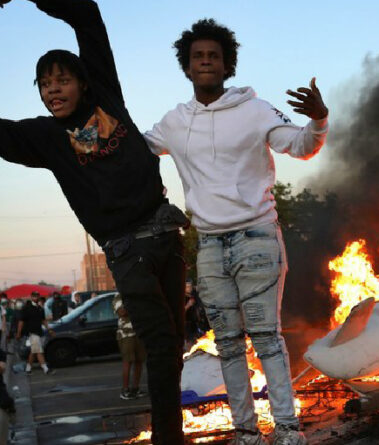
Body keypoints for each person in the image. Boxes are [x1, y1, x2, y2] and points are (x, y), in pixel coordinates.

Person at [0, 1, 188, 443]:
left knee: (173, 347)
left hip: (166, 233)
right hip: (128, 251)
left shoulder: (106, 96)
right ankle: (169, 438)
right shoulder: (45, 138)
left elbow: (87, 14)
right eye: (44, 86)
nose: (53, 91)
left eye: (62, 80)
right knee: (160, 345)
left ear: (83, 83)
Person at [145, 19, 328, 445]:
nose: (205, 62)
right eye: (197, 57)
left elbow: (301, 146)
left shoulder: (256, 109)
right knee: (227, 343)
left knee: (266, 338)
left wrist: (318, 120)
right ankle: (246, 433)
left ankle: (286, 430)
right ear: (186, 68)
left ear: (227, 65)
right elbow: (135, 151)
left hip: (256, 239)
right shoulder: (174, 121)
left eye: (213, 56)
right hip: (208, 246)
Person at [112, 293, 147, 400]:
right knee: (128, 361)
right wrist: (136, 307)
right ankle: (125, 390)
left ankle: (135, 389)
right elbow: (122, 312)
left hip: (138, 331)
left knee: (139, 361)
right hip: (126, 334)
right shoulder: (119, 296)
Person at [16, 292, 54, 374]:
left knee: (34, 351)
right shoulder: (26, 308)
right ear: (31, 297)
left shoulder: (40, 308)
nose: (36, 298)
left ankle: (28, 369)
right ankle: (45, 368)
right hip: (31, 332)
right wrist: (18, 333)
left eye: (37, 296)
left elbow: (43, 320)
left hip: (39, 332)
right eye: (34, 296)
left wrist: (49, 329)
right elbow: (21, 321)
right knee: (39, 350)